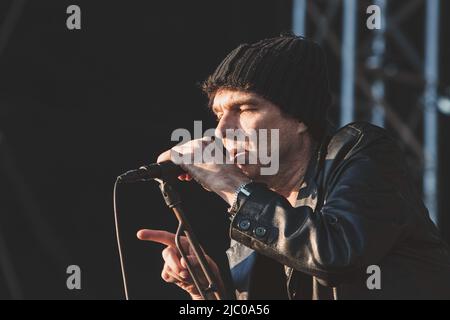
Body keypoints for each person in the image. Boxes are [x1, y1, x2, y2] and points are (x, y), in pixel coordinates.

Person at [137, 35, 450, 299]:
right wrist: (211, 289)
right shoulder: (254, 207)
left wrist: (230, 185)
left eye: (244, 108)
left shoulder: (359, 150)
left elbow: (336, 254)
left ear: (299, 118)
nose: (221, 131)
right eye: (218, 114)